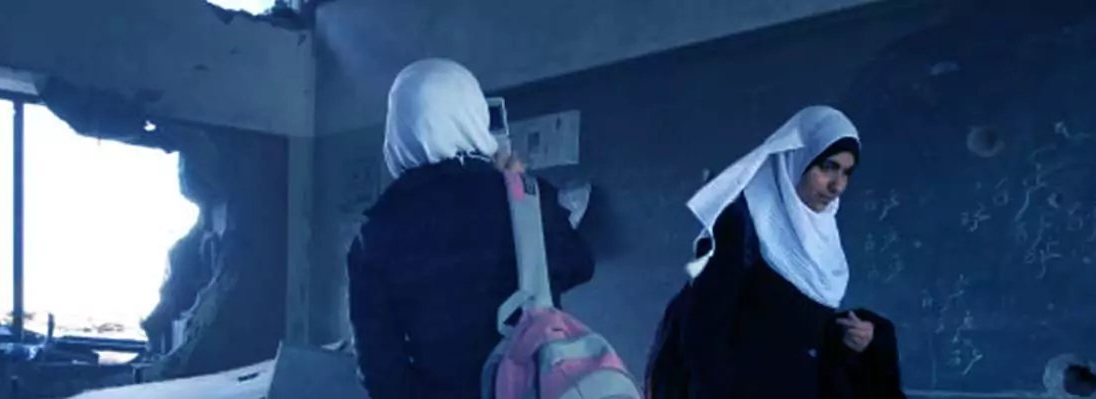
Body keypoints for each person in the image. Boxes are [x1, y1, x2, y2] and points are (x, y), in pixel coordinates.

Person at [347, 58, 596, 399]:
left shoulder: (374, 234)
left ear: (398, 128)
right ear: (474, 116)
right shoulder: (526, 198)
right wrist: (519, 183)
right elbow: (580, 266)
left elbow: (381, 375)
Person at [646, 106, 905, 399]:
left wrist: (855, 338)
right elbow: (704, 332)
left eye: (846, 172)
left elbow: (788, 325)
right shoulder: (741, 222)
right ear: (796, 159)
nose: (837, 186)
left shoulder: (820, 232)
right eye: (827, 167)